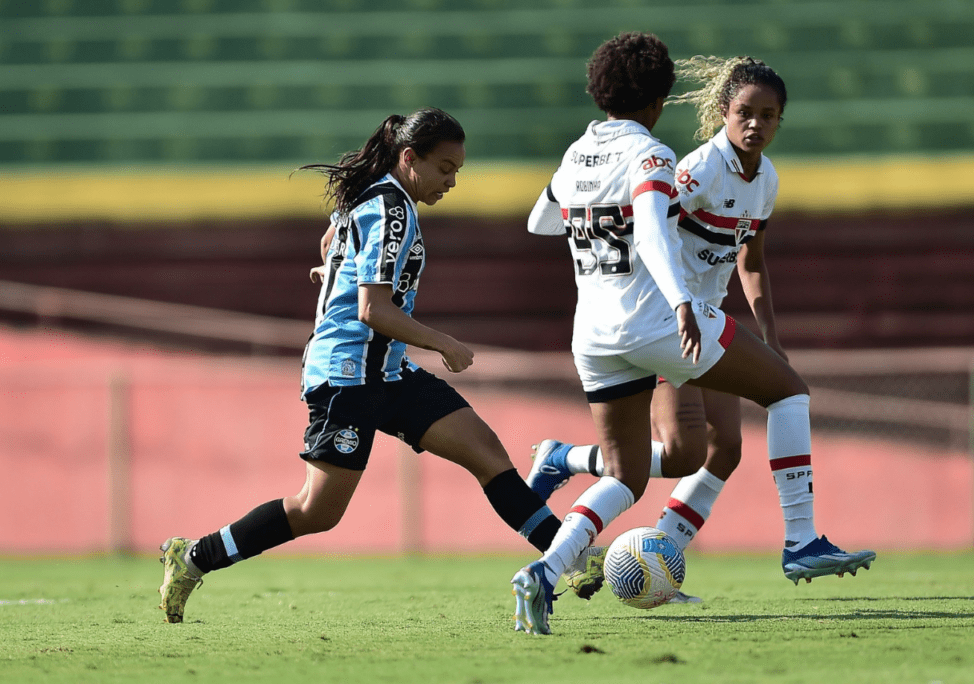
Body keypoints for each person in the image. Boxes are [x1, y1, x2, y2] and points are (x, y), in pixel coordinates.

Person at [510, 34, 875, 636]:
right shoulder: (660, 159)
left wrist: (597, 225)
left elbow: (541, 220)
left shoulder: (578, 155)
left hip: (595, 333)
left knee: (640, 472)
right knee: (785, 394)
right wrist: (680, 298)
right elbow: (655, 232)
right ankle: (801, 539)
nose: (756, 124)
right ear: (659, 100)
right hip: (664, 322)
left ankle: (546, 573)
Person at [158, 107, 565, 624]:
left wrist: (331, 270)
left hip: (388, 372)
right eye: (445, 168)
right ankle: (194, 556)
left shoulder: (372, 195)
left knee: (484, 450)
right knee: (316, 511)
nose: (452, 181)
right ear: (409, 157)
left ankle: (568, 557)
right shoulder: (392, 209)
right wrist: (445, 344)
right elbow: (373, 309)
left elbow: (331, 242)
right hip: (348, 373)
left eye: (458, 170)